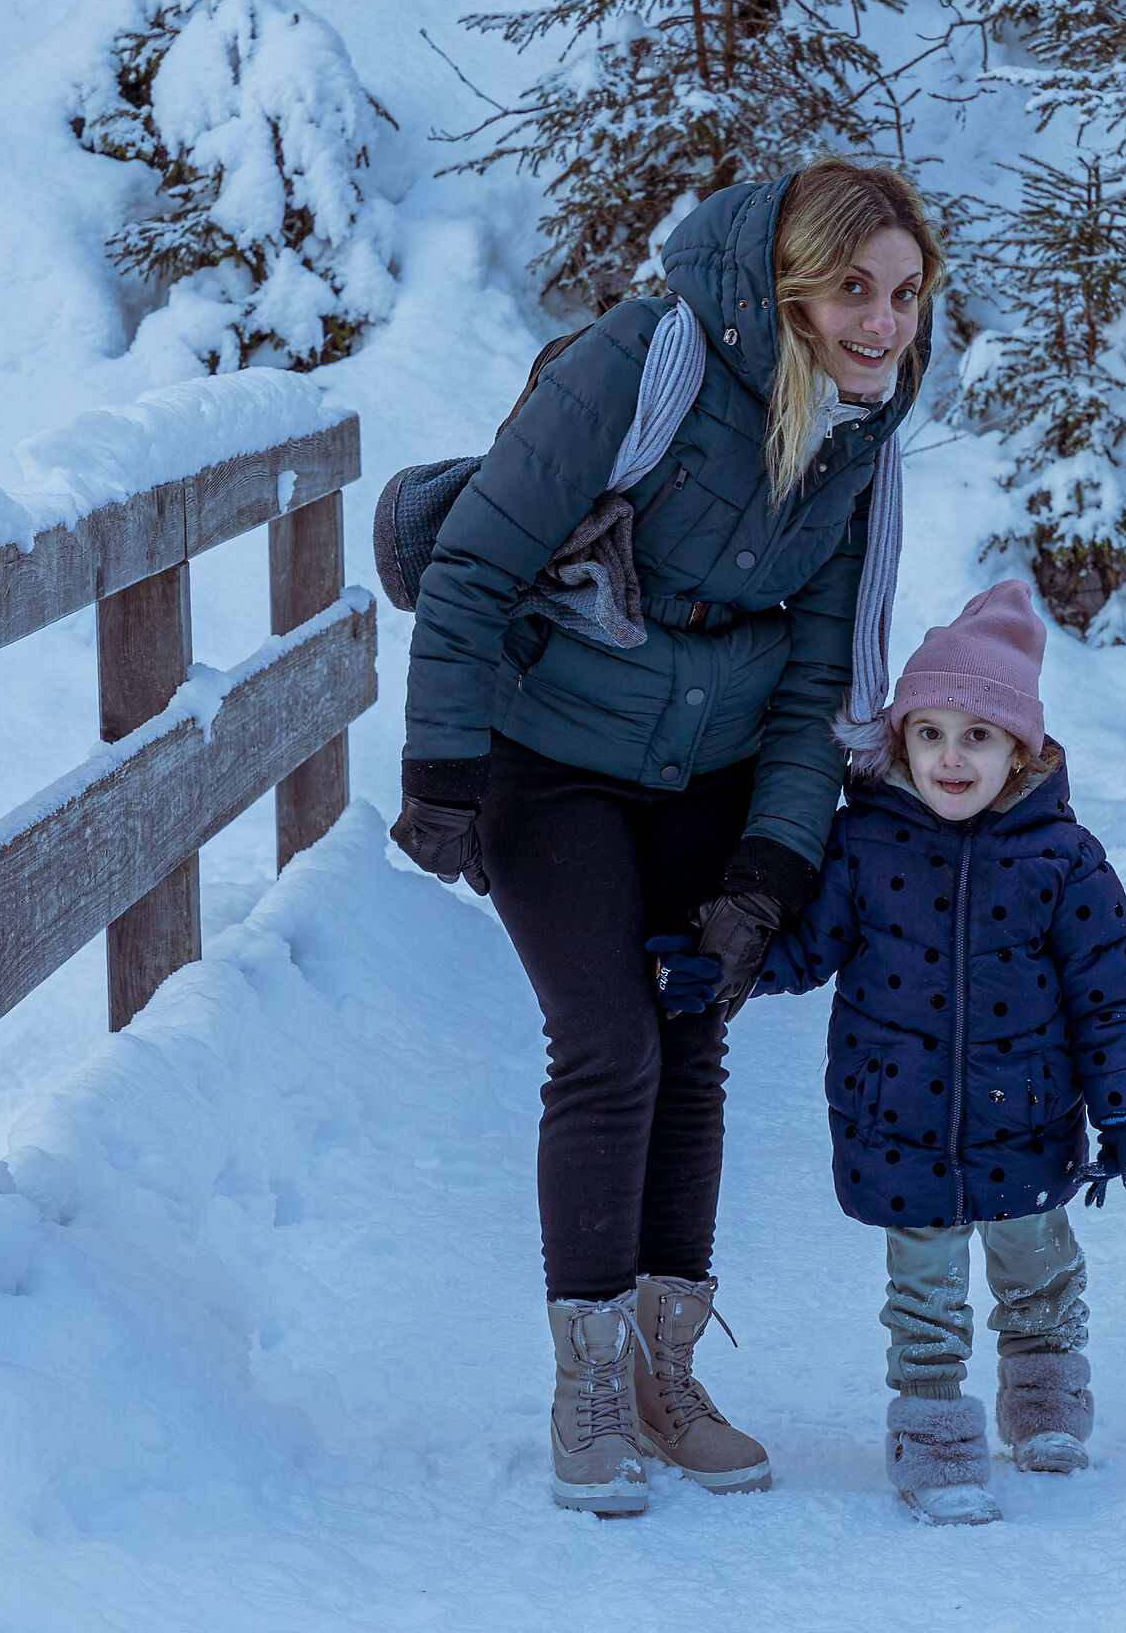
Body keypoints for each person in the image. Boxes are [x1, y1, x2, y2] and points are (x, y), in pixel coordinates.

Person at [392, 163, 945, 1515]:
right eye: (855, 292)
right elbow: (473, 561)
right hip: (552, 757)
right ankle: (583, 1381)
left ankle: (661, 1374)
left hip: (720, 759)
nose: (885, 325)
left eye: (909, 295)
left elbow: (824, 679)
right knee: (608, 1040)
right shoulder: (647, 359)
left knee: (690, 1037)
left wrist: (770, 872)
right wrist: (444, 767)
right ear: (789, 290)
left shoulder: (863, 433)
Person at [655, 580, 1126, 1526]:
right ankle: (934, 1444)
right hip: (901, 1116)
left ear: (1021, 748)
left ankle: (1045, 1406)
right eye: (929, 733)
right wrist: (721, 969)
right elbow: (809, 951)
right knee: (924, 1300)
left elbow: (1108, 991)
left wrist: (1124, 1105)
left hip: (1030, 1113)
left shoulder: (1065, 856)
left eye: (977, 736)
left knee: (1040, 1268)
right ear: (900, 743)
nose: (950, 757)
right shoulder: (865, 846)